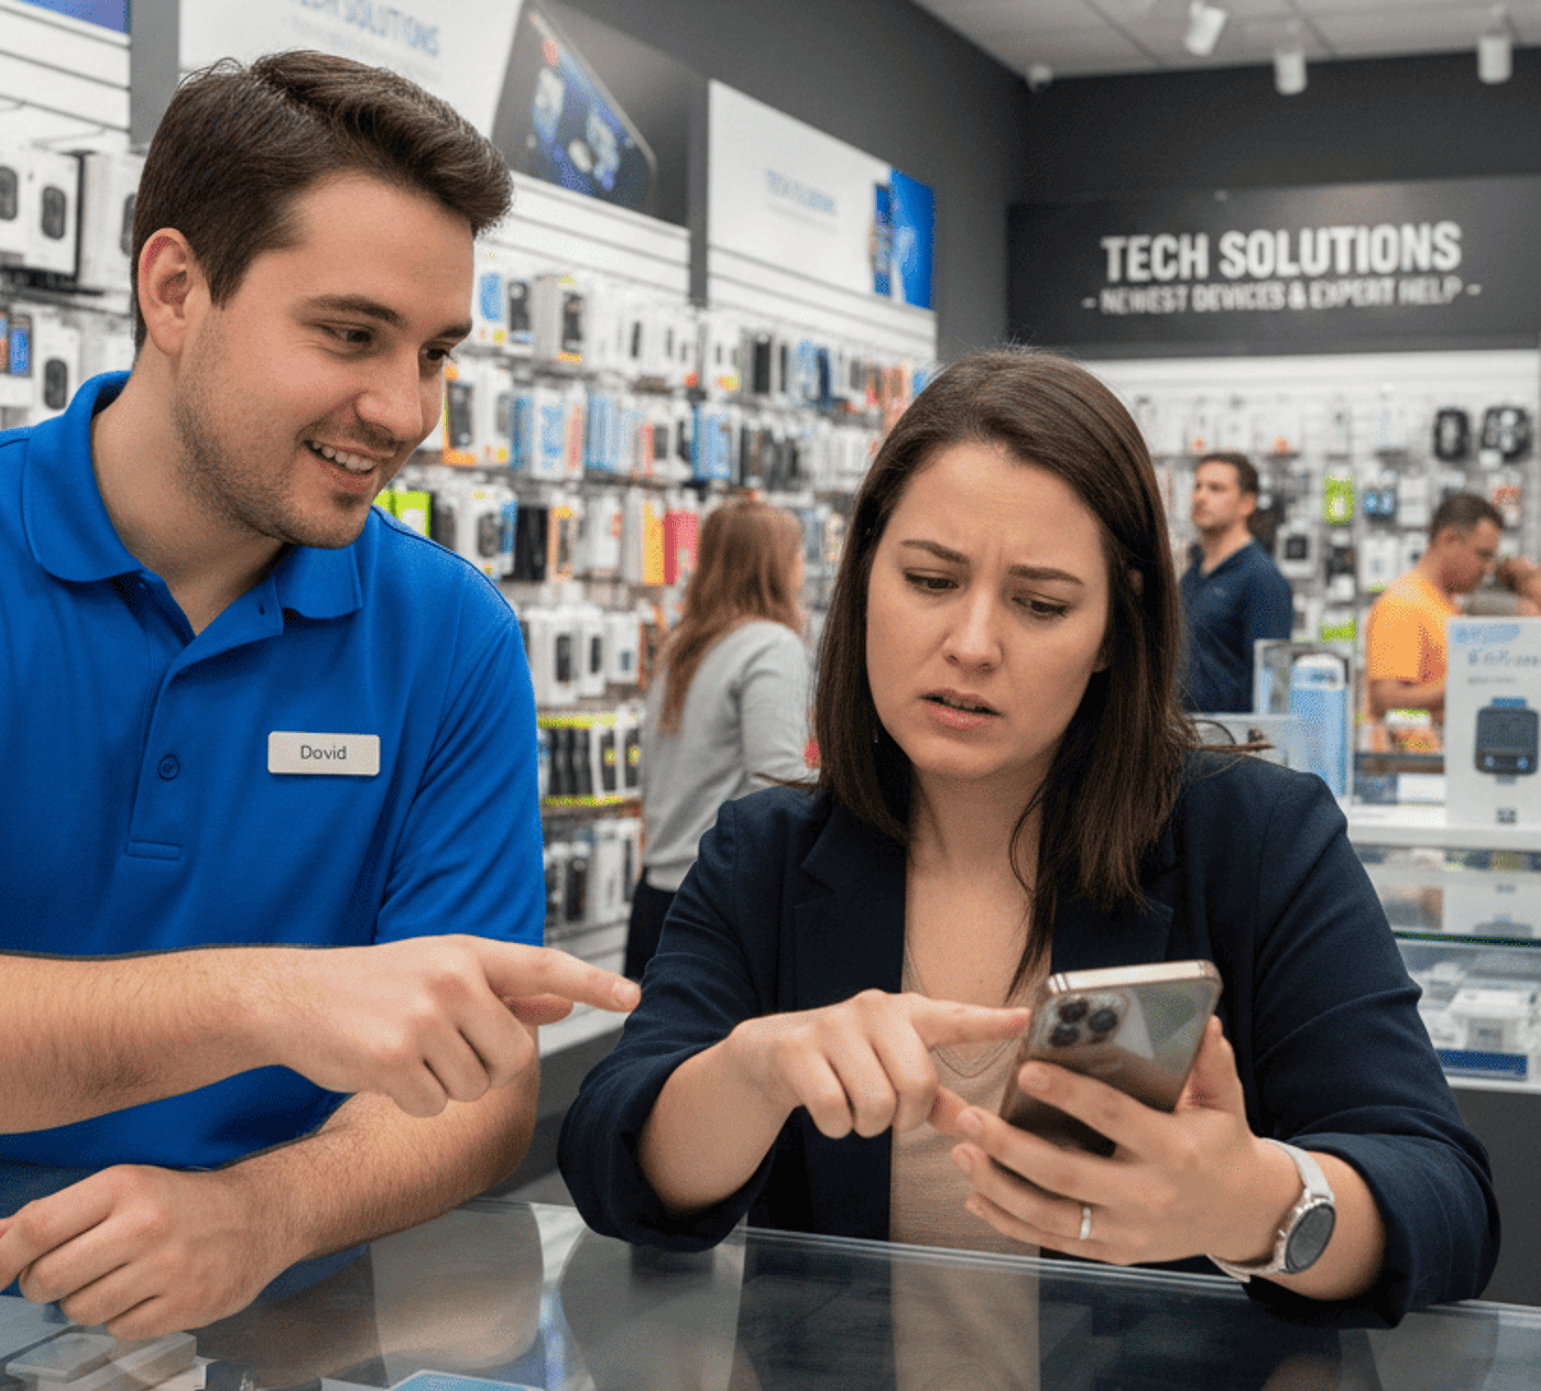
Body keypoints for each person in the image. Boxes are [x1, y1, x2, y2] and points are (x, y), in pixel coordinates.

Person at [0, 51, 636, 1339]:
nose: (404, 408)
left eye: (434, 351)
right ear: (174, 289)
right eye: (349, 334)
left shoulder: (451, 639)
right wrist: (270, 998)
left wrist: (264, 1214)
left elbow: (479, 1095)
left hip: (296, 1344)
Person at [560, 347, 1496, 1330]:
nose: (972, 643)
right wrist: (748, 1075)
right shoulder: (764, 853)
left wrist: (1254, 1203)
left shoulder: (1255, 839)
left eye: (1041, 604)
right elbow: (611, 1164)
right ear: (865, 574)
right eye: (929, 579)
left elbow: (1444, 1199)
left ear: (1113, 629)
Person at [625, 500, 812, 987]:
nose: (803, 569)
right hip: (720, 901)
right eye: (797, 556)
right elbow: (777, 784)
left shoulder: (682, 644)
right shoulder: (771, 646)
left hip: (658, 892)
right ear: (776, 567)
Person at [1364, 492, 1541, 731]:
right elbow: (1386, 700)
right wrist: (1476, 678)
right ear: (1448, 540)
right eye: (1483, 554)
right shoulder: (1403, 604)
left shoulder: (1444, 604)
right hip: (1411, 764)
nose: (1488, 567)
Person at [1178, 451, 1292, 713]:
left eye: (1216, 488)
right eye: (1198, 486)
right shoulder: (1193, 575)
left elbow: (1272, 684)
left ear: (1247, 504)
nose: (1200, 497)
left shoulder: (1261, 579)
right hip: (1187, 734)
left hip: (1230, 742)